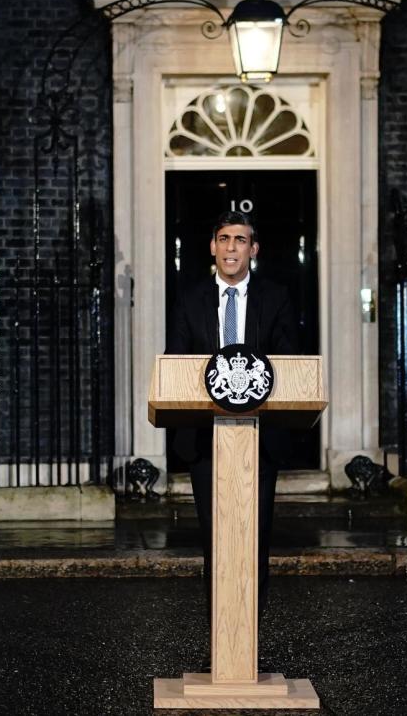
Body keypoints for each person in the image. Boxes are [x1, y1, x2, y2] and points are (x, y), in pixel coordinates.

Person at [165, 210, 300, 625]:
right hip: (205, 442)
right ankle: (222, 641)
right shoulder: (189, 299)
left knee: (255, 542)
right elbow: (178, 364)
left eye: (240, 240)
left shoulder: (275, 298)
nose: (230, 247)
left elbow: (289, 364)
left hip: (260, 440)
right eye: (223, 238)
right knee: (216, 542)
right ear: (212, 246)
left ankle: (250, 642)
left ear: (253, 250)